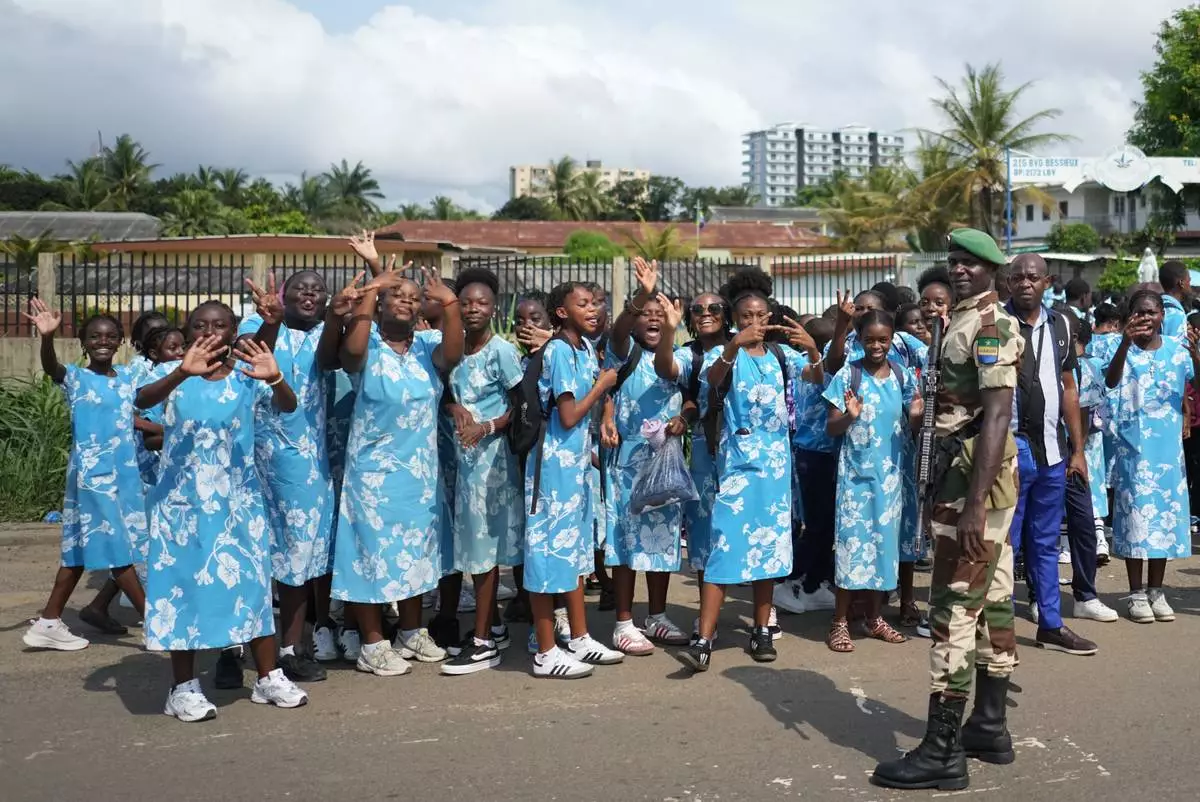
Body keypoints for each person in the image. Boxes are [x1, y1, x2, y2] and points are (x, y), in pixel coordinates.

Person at [873, 227, 1024, 791]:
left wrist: (973, 506)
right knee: (994, 602)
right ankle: (988, 726)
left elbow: (998, 415)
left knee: (953, 611)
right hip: (965, 482)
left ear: (993, 270)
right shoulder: (959, 319)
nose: (959, 269)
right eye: (954, 260)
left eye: (971, 262)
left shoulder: (989, 326)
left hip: (971, 490)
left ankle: (942, 750)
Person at [136, 301, 308, 721]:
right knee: (183, 590)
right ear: (188, 331)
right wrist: (181, 373)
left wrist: (277, 377)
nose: (209, 331)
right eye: (199, 325)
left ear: (233, 331)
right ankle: (182, 688)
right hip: (182, 507)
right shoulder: (172, 372)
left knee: (252, 588)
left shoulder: (247, 374)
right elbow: (141, 402)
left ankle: (267, 677)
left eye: (219, 324)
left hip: (239, 503)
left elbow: (287, 406)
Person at [330, 259, 463, 676]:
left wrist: (451, 304)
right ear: (382, 304)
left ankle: (410, 631)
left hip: (419, 473)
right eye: (397, 295)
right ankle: (372, 644)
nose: (406, 301)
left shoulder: (427, 346)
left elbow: (453, 354)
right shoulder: (365, 341)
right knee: (369, 554)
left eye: (414, 297)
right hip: (372, 474)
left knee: (416, 553)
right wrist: (372, 288)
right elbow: (351, 356)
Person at [684, 267, 815, 672]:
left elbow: (816, 378)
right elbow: (712, 381)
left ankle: (761, 630)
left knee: (769, 552)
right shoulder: (723, 354)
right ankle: (704, 638)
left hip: (775, 469)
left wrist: (814, 350)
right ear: (734, 320)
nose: (754, 322)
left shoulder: (781, 356)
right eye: (746, 317)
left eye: (760, 316)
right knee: (724, 548)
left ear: (769, 317)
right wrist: (732, 347)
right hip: (737, 467)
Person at [21, 302, 148, 652]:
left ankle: (49, 621)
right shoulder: (76, 378)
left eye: (109, 336)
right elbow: (52, 367)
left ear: (120, 341)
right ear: (83, 343)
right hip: (93, 478)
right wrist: (47, 338)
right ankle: (155, 624)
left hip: (123, 476)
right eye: (94, 336)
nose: (102, 341)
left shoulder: (129, 378)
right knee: (117, 549)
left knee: (77, 550)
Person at [238, 270, 339, 685]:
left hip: (304, 461)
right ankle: (232, 648)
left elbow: (337, 359)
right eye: (300, 288)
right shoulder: (255, 322)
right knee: (248, 552)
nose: (309, 295)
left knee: (297, 555)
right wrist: (272, 321)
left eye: (318, 290)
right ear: (283, 294)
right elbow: (249, 352)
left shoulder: (323, 335)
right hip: (249, 455)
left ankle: (291, 648)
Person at [524, 281, 625, 678]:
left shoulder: (582, 348)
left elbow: (598, 398)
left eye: (595, 303)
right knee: (546, 556)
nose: (593, 310)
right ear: (562, 312)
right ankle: (545, 652)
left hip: (575, 469)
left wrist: (606, 409)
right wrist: (601, 387)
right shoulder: (560, 351)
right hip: (551, 471)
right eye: (582, 304)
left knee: (574, 555)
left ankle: (580, 638)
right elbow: (567, 416)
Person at [1002, 254, 1098, 656]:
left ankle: (1051, 625)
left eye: (1033, 277)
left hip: (1053, 451)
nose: (1025, 283)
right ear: (1008, 282)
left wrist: (1078, 449)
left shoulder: (1061, 324)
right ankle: (998, 629)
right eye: (1018, 277)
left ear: (1047, 282)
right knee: (1004, 543)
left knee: (1045, 542)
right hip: (1009, 450)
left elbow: (1068, 386)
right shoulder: (996, 322)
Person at [600, 259, 692, 654]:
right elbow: (618, 329)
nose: (653, 317)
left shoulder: (681, 357)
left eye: (661, 312)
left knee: (662, 541)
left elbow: (681, 387)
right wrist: (643, 293)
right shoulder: (623, 352)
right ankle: (623, 623)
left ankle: (656, 616)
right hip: (626, 463)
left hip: (664, 465)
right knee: (625, 542)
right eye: (646, 313)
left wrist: (683, 418)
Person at [440, 267, 525, 675]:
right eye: (466, 302)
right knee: (474, 548)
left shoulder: (501, 352)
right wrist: (453, 406)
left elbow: (522, 405)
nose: (474, 309)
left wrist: (487, 426)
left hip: (493, 465)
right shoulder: (452, 350)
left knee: (484, 550)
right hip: (461, 462)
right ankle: (493, 625)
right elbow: (443, 391)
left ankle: (482, 642)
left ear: (494, 309)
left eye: (482, 303)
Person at [823, 308, 921, 652]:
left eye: (883, 340)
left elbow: (913, 423)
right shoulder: (847, 376)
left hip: (892, 478)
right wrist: (849, 417)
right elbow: (831, 427)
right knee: (851, 548)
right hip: (856, 478)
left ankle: (874, 618)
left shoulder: (902, 375)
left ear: (892, 339)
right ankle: (839, 622)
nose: (876, 346)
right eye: (869, 340)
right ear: (859, 340)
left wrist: (917, 414)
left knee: (884, 549)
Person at [1104, 289, 1200, 623]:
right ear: (1130, 316)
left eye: (1152, 312)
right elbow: (1111, 381)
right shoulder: (1123, 348)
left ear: (1162, 315)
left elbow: (1196, 384)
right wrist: (1124, 344)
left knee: (1164, 521)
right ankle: (1136, 593)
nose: (1147, 317)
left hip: (1168, 452)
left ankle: (1156, 591)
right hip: (1133, 449)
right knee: (1136, 519)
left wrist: (1197, 356)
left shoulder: (1177, 350)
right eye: (1140, 312)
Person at [653, 286, 732, 643]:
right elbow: (665, 367)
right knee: (704, 536)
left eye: (714, 308)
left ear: (726, 315)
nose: (706, 313)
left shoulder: (746, 347)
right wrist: (669, 329)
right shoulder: (691, 354)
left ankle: (763, 616)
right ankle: (706, 619)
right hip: (705, 454)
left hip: (747, 453)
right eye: (697, 309)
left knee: (747, 531)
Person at [774, 317, 840, 619]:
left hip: (822, 453)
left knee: (826, 525)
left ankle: (814, 585)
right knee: (815, 525)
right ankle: (788, 583)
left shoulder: (810, 365)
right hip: (814, 453)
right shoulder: (812, 368)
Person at [1064, 317, 1118, 622]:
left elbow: (1086, 410)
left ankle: (1085, 595)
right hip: (1043, 452)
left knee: (1084, 521)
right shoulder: (1037, 361)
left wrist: (1078, 451)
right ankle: (1037, 596)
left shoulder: (1087, 366)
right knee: (1042, 528)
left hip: (1076, 452)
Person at [1159, 259, 1191, 344]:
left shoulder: (1158, 305)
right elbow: (1174, 348)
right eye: (1189, 281)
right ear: (1181, 283)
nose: (1190, 286)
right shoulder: (1175, 313)